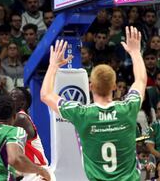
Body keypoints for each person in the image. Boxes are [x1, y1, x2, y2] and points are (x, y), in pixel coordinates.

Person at [40, 26, 147, 180]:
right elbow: (141, 81)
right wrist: (135, 52)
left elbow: (45, 95)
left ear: (91, 86)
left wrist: (53, 65)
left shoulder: (82, 114)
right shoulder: (128, 108)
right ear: (114, 86)